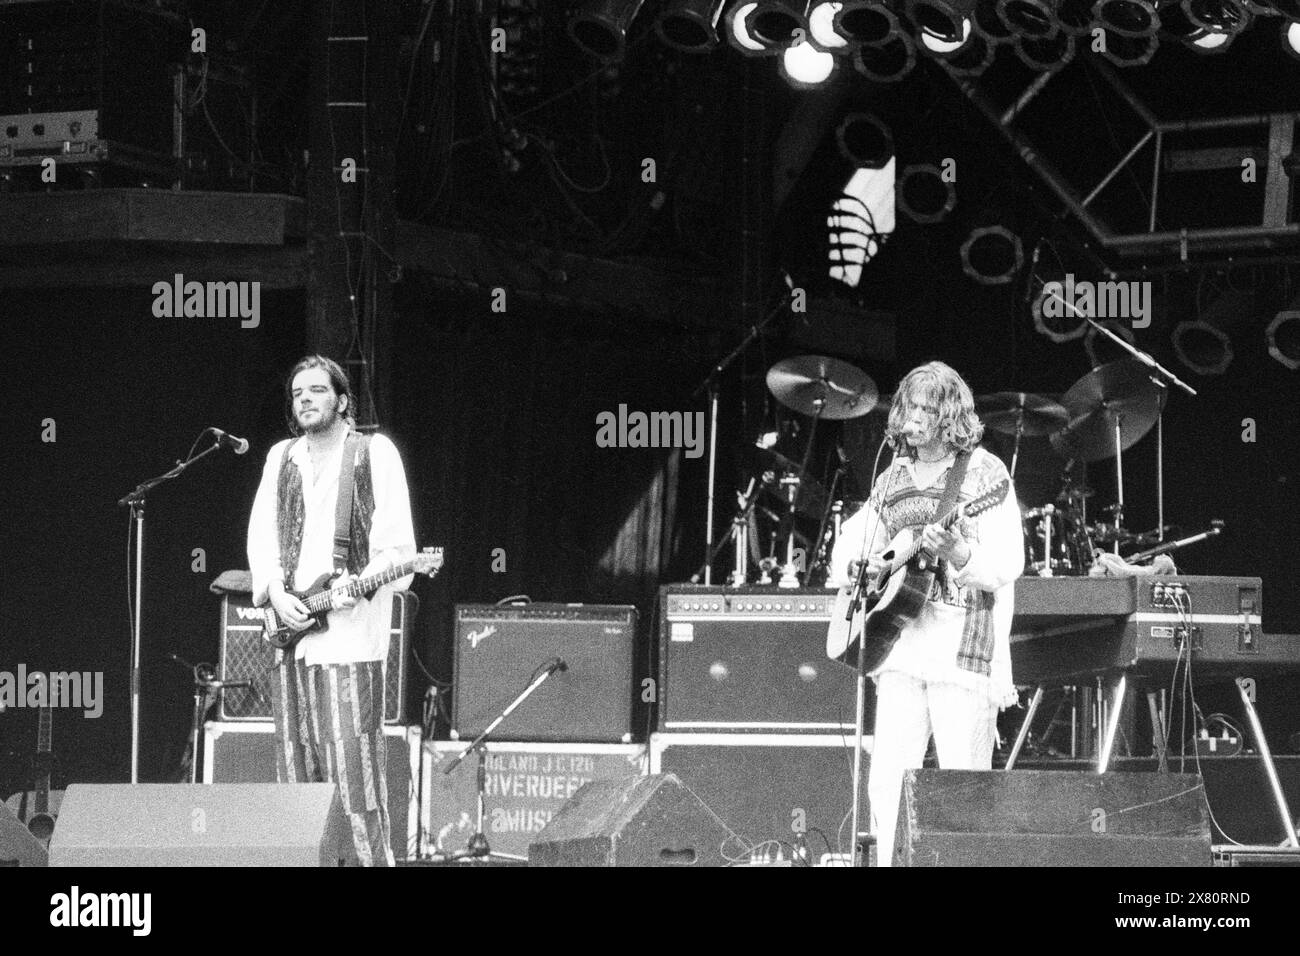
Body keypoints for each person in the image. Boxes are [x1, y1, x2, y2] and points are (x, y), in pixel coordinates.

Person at [828, 361, 1023, 867]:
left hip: (961, 645)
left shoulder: (983, 474)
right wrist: (864, 564)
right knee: (888, 777)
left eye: (927, 410)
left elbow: (1009, 562)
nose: (914, 418)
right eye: (910, 407)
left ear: (950, 416)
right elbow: (853, 541)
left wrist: (959, 554)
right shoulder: (894, 474)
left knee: (962, 778)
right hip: (899, 642)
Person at [247, 355, 416, 866]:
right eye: (298, 392)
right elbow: (262, 537)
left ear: (342, 401)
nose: (305, 399)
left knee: (355, 778)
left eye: (318, 391)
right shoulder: (281, 456)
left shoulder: (373, 452)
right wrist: (275, 592)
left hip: (348, 639)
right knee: (296, 779)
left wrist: (359, 586)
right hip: (290, 635)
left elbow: (398, 551)